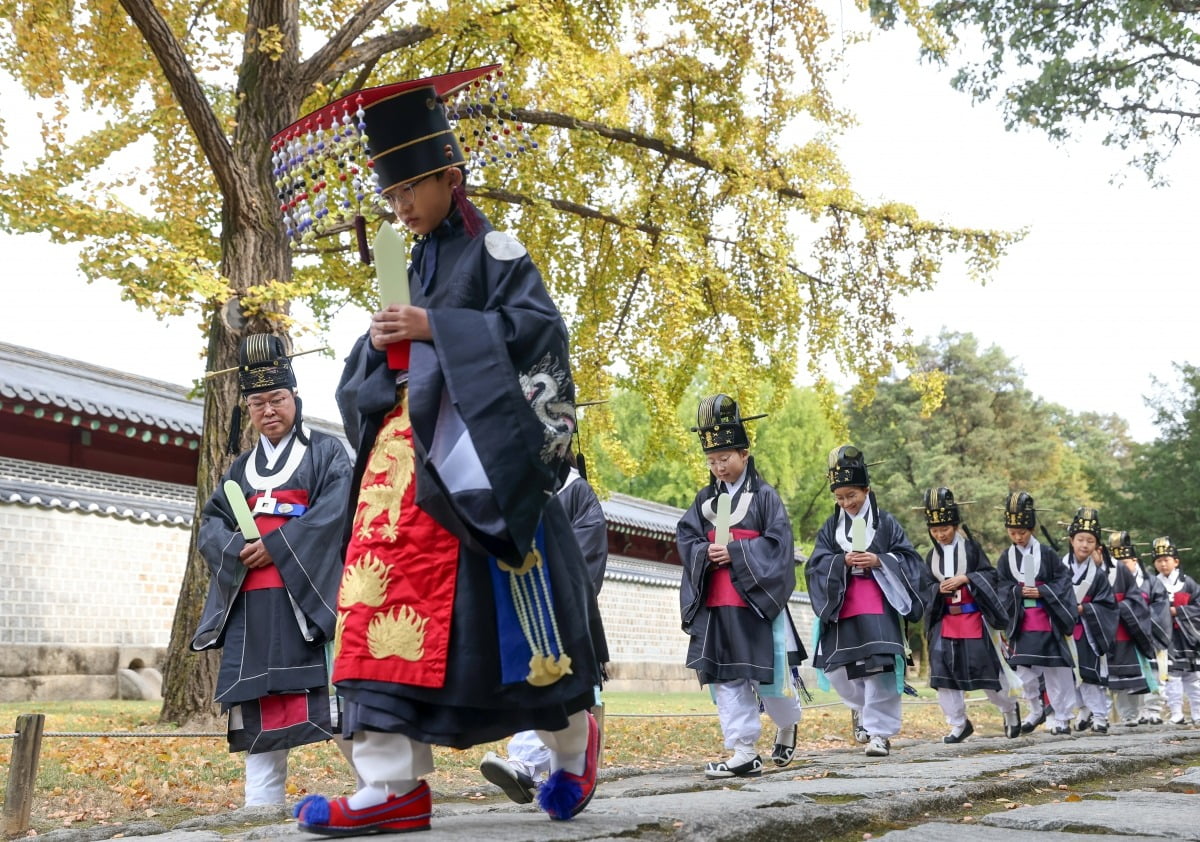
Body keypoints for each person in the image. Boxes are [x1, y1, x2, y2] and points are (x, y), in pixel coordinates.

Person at [277, 66, 604, 833]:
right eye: (389, 197)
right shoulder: (414, 258)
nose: (399, 207)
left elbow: (541, 341)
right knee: (372, 605)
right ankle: (391, 783)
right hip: (398, 476)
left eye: (409, 191)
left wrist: (436, 331)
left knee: (516, 630)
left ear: (450, 175)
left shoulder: (498, 253)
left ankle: (570, 744)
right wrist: (380, 350)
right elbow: (383, 371)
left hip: (474, 467)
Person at [191, 334, 355, 808]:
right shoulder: (241, 469)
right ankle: (259, 810)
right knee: (261, 708)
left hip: (306, 601)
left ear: (295, 399)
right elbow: (211, 524)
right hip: (254, 607)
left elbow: (333, 515)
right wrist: (240, 548)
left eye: (277, 399)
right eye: (258, 402)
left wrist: (278, 546)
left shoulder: (327, 454)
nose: (269, 410)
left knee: (334, 706)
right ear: (247, 407)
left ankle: (381, 791)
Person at [677, 394, 806, 778]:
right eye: (712, 461)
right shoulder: (704, 499)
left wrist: (736, 552)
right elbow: (686, 537)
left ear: (744, 454)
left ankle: (787, 721)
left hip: (755, 600)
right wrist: (704, 552)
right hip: (718, 601)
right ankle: (743, 750)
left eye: (725, 459)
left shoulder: (765, 497)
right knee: (727, 677)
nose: (719, 468)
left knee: (770, 683)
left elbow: (780, 546)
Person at [479, 450, 609, 803]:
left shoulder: (575, 491)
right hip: (518, 600)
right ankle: (542, 770)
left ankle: (526, 764)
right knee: (532, 685)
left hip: (558, 606)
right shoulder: (509, 483)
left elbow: (587, 552)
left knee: (552, 682)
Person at [806, 446, 926, 758]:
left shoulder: (886, 524)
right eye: (840, 497)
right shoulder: (831, 528)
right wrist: (841, 562)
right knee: (838, 671)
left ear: (866, 490)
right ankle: (862, 710)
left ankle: (880, 734)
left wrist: (880, 560)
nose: (846, 503)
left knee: (880, 670)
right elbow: (816, 564)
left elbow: (910, 559)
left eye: (852, 495)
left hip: (877, 603)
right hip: (843, 604)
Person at [918, 487, 1020, 742]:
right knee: (943, 675)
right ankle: (958, 723)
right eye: (935, 530)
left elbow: (991, 576)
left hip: (973, 619)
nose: (940, 534)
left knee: (986, 674)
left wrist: (966, 578)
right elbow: (924, 587)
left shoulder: (972, 550)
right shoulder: (932, 556)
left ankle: (1009, 709)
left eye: (945, 528)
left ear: (955, 524)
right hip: (946, 621)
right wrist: (937, 588)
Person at [993, 492, 1077, 736]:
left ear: (1031, 529)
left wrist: (1043, 591)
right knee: (1022, 670)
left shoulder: (1048, 554)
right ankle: (1035, 708)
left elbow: (1063, 579)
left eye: (1023, 532)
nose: (1018, 537)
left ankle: (1062, 717)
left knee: (1056, 672)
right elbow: (1001, 586)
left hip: (1048, 619)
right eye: (1012, 533)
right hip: (1021, 621)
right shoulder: (1005, 558)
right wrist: (1017, 592)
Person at [1061, 508, 1119, 734]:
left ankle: (1101, 716)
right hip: (1064, 628)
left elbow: (1108, 604)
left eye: (1090, 541)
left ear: (1096, 545)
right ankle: (1082, 710)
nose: (1084, 545)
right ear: (1071, 540)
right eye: (1080, 540)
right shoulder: (1059, 567)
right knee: (1068, 673)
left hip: (1087, 628)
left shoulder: (1099, 574)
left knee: (1089, 674)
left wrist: (1085, 608)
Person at [1105, 531, 1160, 727]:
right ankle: (1128, 715)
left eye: (1125, 561)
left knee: (1145, 675)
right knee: (1120, 676)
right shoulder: (1109, 577)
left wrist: (1137, 615)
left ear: (1135, 560)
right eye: (1117, 561)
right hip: (1118, 632)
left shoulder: (1150, 581)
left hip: (1142, 633)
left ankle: (1151, 711)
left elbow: (1157, 607)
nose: (1122, 565)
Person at [1150, 537, 1200, 725]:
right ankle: (1176, 713)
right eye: (1159, 560)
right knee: (1171, 676)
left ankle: (1197, 713)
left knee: (1194, 677)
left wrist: (1177, 611)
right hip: (1165, 636)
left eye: (1166, 560)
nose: (1163, 564)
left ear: (1176, 561)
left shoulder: (1188, 583)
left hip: (1187, 635)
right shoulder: (1153, 583)